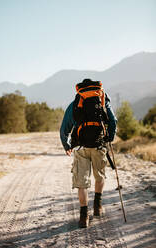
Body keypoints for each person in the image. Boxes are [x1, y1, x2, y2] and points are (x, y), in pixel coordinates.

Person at [60, 79, 117, 228]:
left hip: (81, 148)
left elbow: (64, 127)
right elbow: (113, 120)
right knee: (100, 176)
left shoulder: (76, 103)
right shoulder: (103, 100)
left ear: (80, 90)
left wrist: (66, 145)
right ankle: (97, 207)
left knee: (82, 183)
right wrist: (109, 137)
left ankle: (83, 216)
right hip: (99, 145)